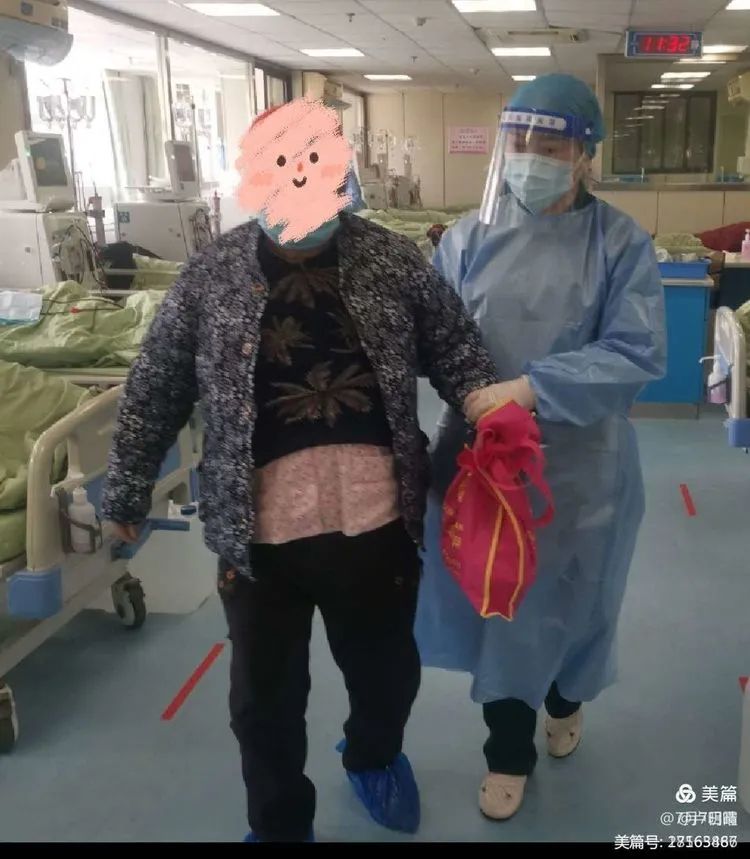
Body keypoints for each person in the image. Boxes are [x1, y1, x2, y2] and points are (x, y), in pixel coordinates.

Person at [101, 98, 500, 843]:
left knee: (387, 677)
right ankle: (280, 824)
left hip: (377, 518)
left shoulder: (391, 260)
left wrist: (489, 408)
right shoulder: (211, 273)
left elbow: (455, 347)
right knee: (264, 703)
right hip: (259, 535)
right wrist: (125, 489)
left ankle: (372, 754)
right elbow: (156, 385)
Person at [414, 74, 667, 821]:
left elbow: (636, 351)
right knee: (501, 608)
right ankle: (507, 752)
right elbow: (432, 336)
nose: (530, 157)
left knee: (578, 603)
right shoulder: (466, 240)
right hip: (483, 466)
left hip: (581, 470)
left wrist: (532, 388)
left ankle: (566, 699)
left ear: (584, 154)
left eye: (549, 146)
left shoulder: (618, 243)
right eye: (518, 141)